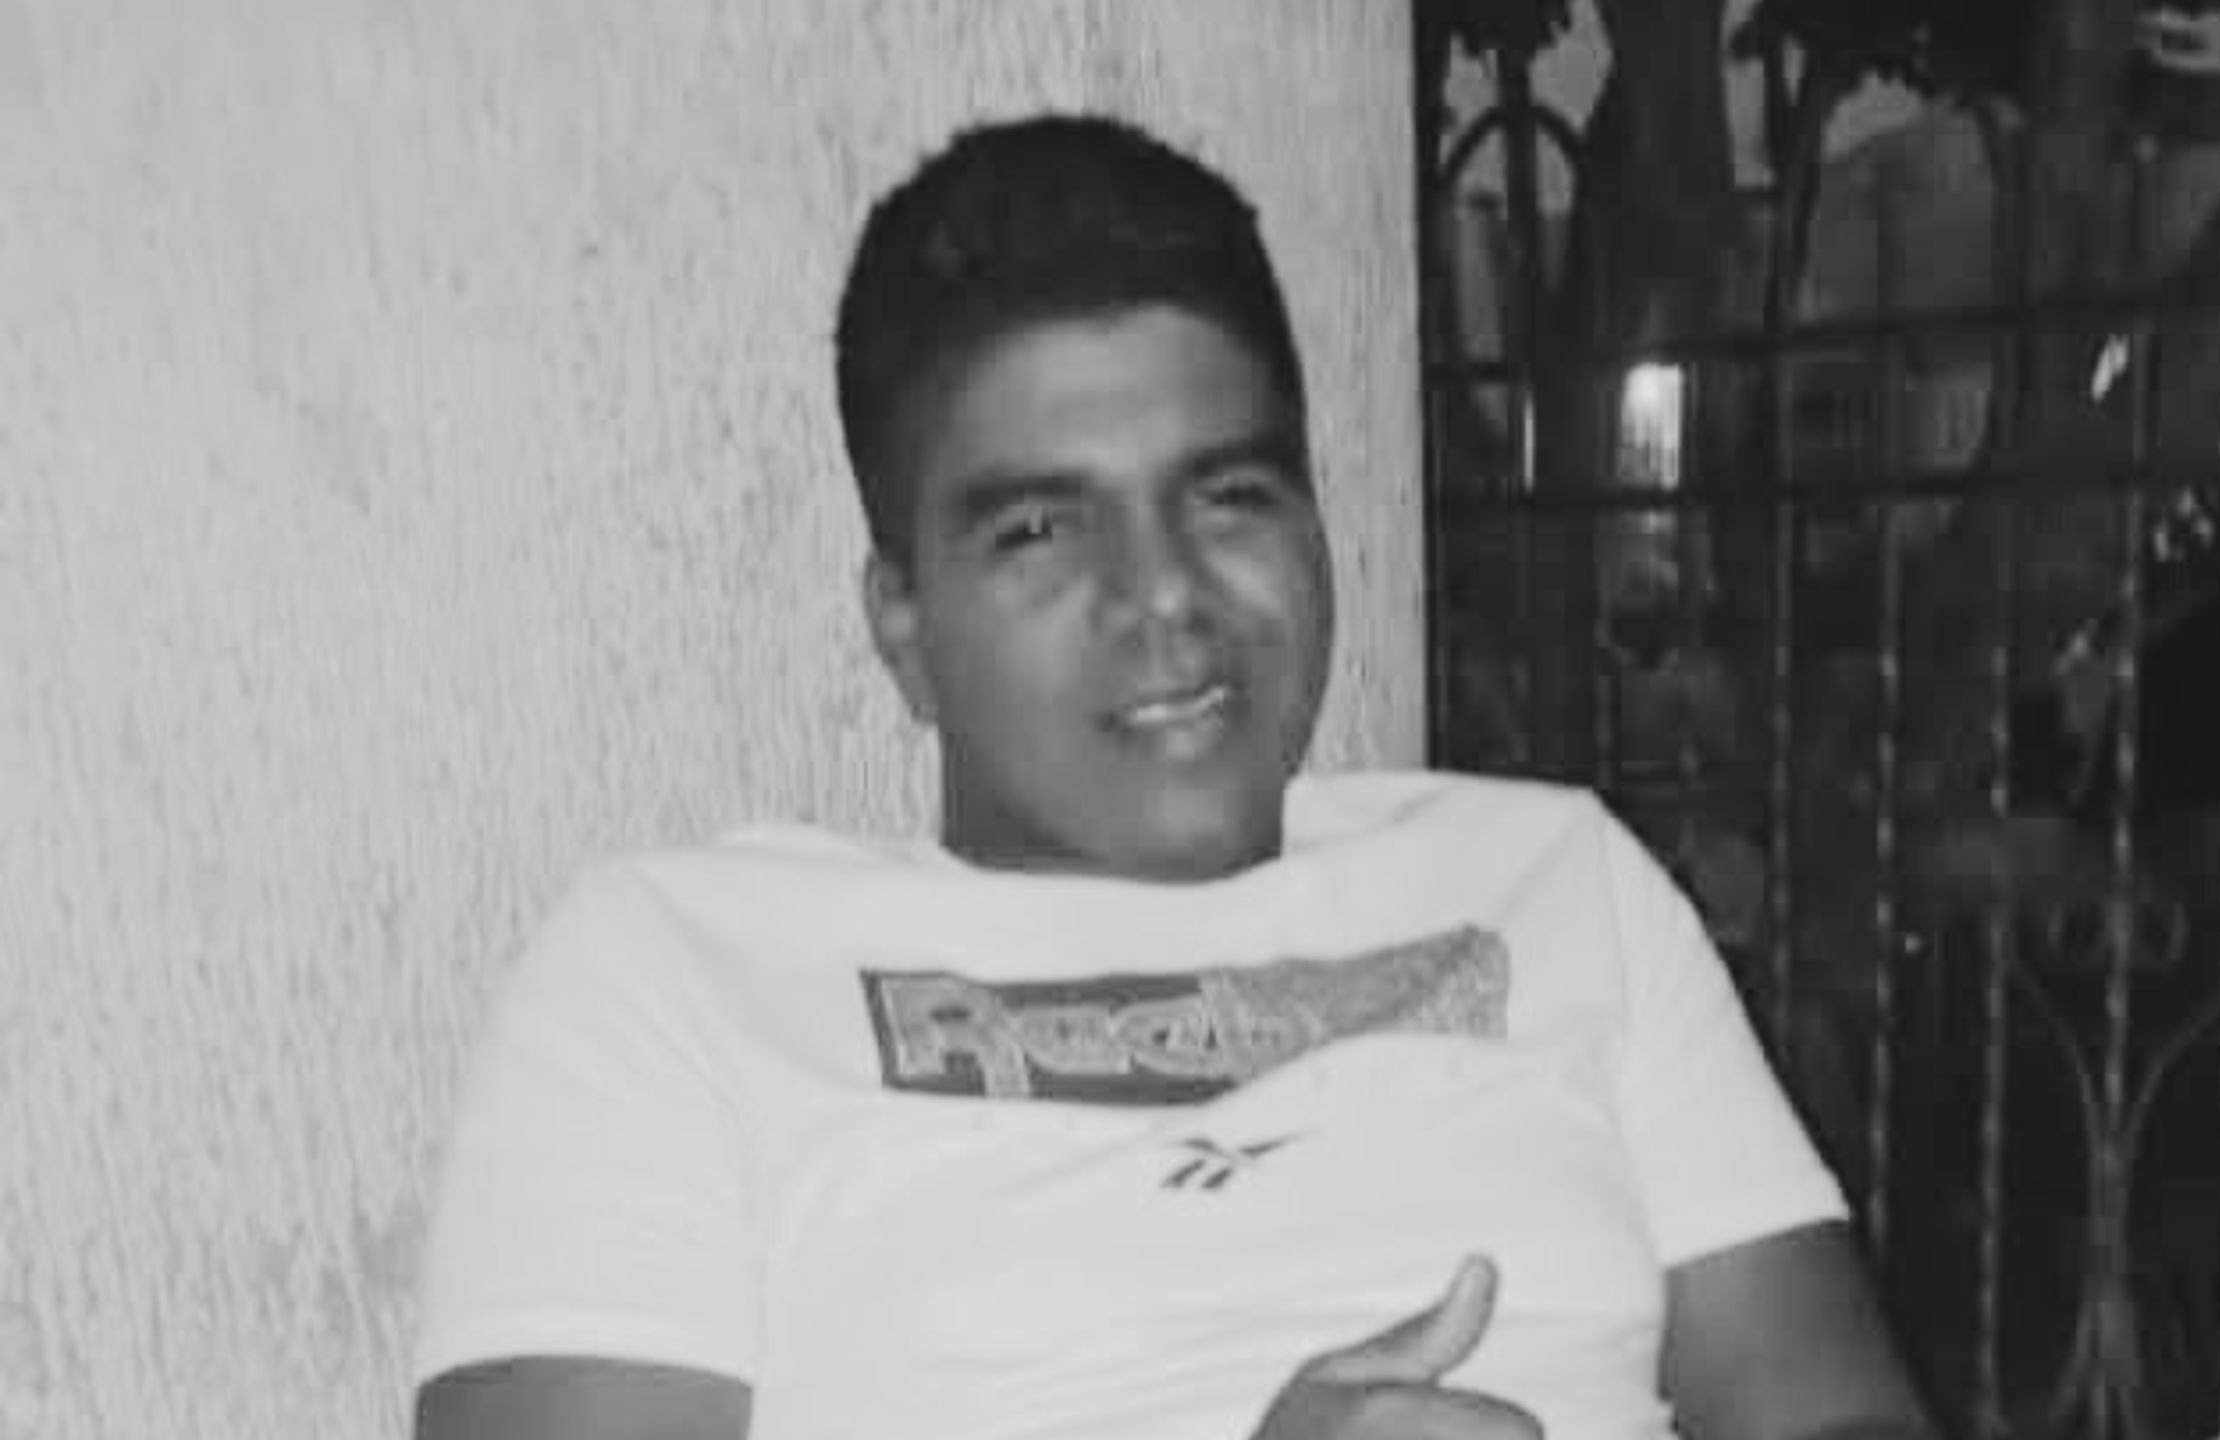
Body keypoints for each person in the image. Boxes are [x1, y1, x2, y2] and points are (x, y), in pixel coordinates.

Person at [410, 113, 1938, 1440]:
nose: (1165, 599)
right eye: (1040, 531)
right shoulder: (678, 976)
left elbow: (1832, 1411)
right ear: (904, 626)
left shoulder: (1555, 881)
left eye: (1229, 496)